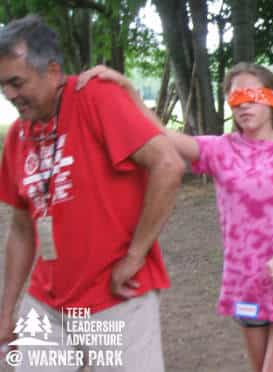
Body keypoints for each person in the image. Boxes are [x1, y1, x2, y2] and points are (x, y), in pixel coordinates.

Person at [78, 63, 273, 372]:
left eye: (252, 95)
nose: (243, 104)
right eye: (235, 98)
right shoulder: (221, 150)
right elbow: (160, 135)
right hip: (246, 282)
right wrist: (128, 89)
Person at [0, 16, 183, 371]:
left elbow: (168, 165)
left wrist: (135, 255)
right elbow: (22, 226)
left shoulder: (95, 98)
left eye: (16, 82)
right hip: (47, 304)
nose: (9, 95)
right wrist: (6, 309)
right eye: (2, 85)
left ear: (53, 71)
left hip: (115, 298)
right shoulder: (17, 137)